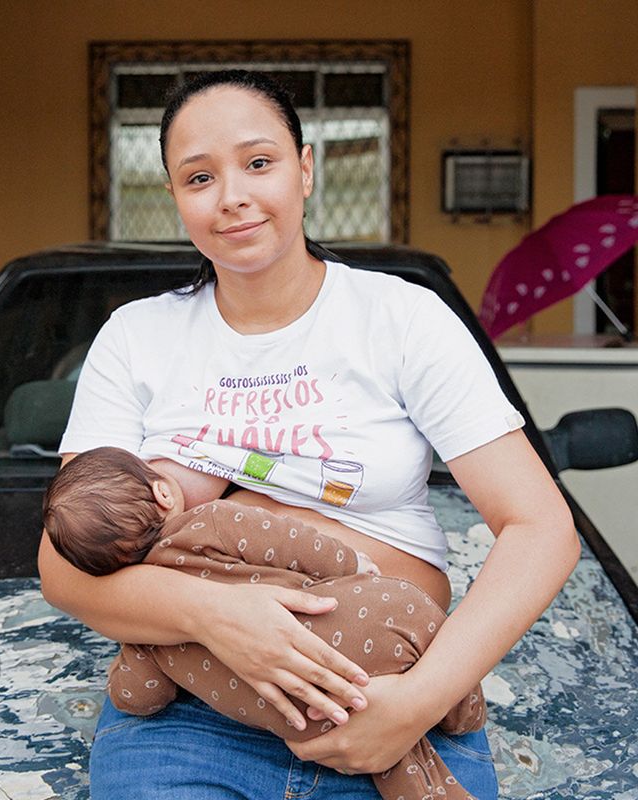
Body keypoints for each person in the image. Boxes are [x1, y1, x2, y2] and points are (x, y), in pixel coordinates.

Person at [38, 69, 580, 799]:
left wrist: (416, 702)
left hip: (393, 697)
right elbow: (65, 563)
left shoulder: (401, 319)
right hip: (193, 713)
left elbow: (541, 528)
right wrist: (219, 616)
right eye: (199, 177)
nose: (231, 195)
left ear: (305, 169)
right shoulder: (137, 337)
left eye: (258, 163)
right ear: (175, 198)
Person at [42, 444, 488, 800]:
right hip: (365, 623)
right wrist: (353, 563)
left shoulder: (148, 630)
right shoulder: (212, 522)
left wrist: (119, 669)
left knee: (367, 735)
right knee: (412, 624)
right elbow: (291, 543)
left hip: (297, 714)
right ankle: (461, 710)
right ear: (163, 492)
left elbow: (138, 696)